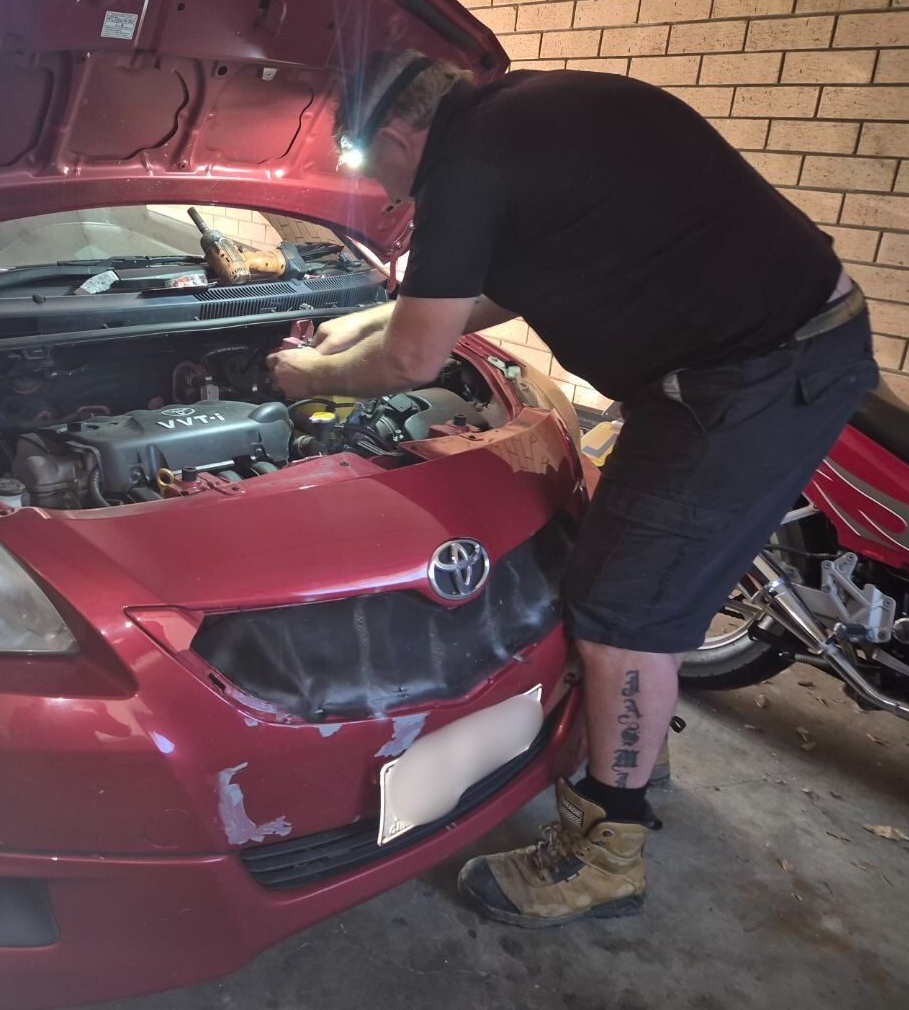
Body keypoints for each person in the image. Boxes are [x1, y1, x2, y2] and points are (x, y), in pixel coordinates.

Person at [267, 51, 878, 928]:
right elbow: (495, 286)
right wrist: (363, 321)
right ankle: (627, 749)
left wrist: (308, 377)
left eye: (370, 167)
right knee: (639, 581)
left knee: (625, 611)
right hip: (781, 347)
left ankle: (602, 856)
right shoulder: (529, 110)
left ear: (397, 136)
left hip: (748, 381)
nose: (383, 191)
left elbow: (411, 363)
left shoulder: (465, 168)